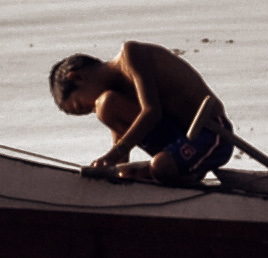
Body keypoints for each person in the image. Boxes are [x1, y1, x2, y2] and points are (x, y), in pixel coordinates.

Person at [47, 41, 233, 184]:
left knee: (161, 166)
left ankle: (177, 172)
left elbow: (152, 112)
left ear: (78, 77)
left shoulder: (131, 55)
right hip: (178, 137)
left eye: (83, 106)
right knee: (109, 111)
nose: (93, 109)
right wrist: (117, 172)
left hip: (212, 133)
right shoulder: (113, 100)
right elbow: (121, 143)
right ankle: (166, 171)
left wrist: (111, 156)